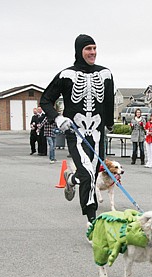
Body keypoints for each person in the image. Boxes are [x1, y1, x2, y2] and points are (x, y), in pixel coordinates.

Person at [40, 34, 115, 224]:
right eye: (88, 49)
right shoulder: (66, 75)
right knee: (88, 174)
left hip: (97, 134)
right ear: (79, 51)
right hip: (76, 133)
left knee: (90, 173)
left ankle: (71, 179)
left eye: (94, 48)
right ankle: (92, 223)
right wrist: (58, 118)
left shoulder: (105, 74)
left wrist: (109, 125)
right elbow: (46, 100)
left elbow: (108, 102)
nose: (92, 52)